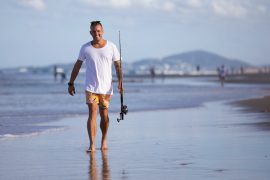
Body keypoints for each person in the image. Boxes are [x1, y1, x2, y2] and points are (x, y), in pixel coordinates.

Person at [68, 21, 123, 152]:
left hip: (106, 88)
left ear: (102, 31)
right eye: (93, 31)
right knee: (92, 113)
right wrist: (71, 82)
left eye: (98, 31)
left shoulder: (111, 46)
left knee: (104, 114)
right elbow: (77, 65)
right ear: (90, 32)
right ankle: (92, 144)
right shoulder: (85, 48)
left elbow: (117, 65)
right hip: (91, 88)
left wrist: (120, 81)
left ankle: (104, 139)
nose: (96, 33)